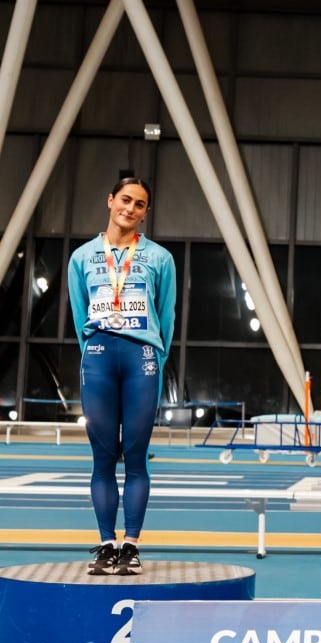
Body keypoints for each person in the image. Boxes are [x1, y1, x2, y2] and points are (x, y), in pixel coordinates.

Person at [68, 177, 176, 576]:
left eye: (140, 204)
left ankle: (130, 545)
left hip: (141, 357)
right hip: (98, 354)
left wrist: (155, 359)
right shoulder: (81, 257)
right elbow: (81, 315)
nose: (130, 209)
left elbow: (166, 316)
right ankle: (104, 544)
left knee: (135, 456)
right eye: (125, 200)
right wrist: (93, 353)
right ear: (110, 200)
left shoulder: (160, 258)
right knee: (101, 458)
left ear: (146, 212)